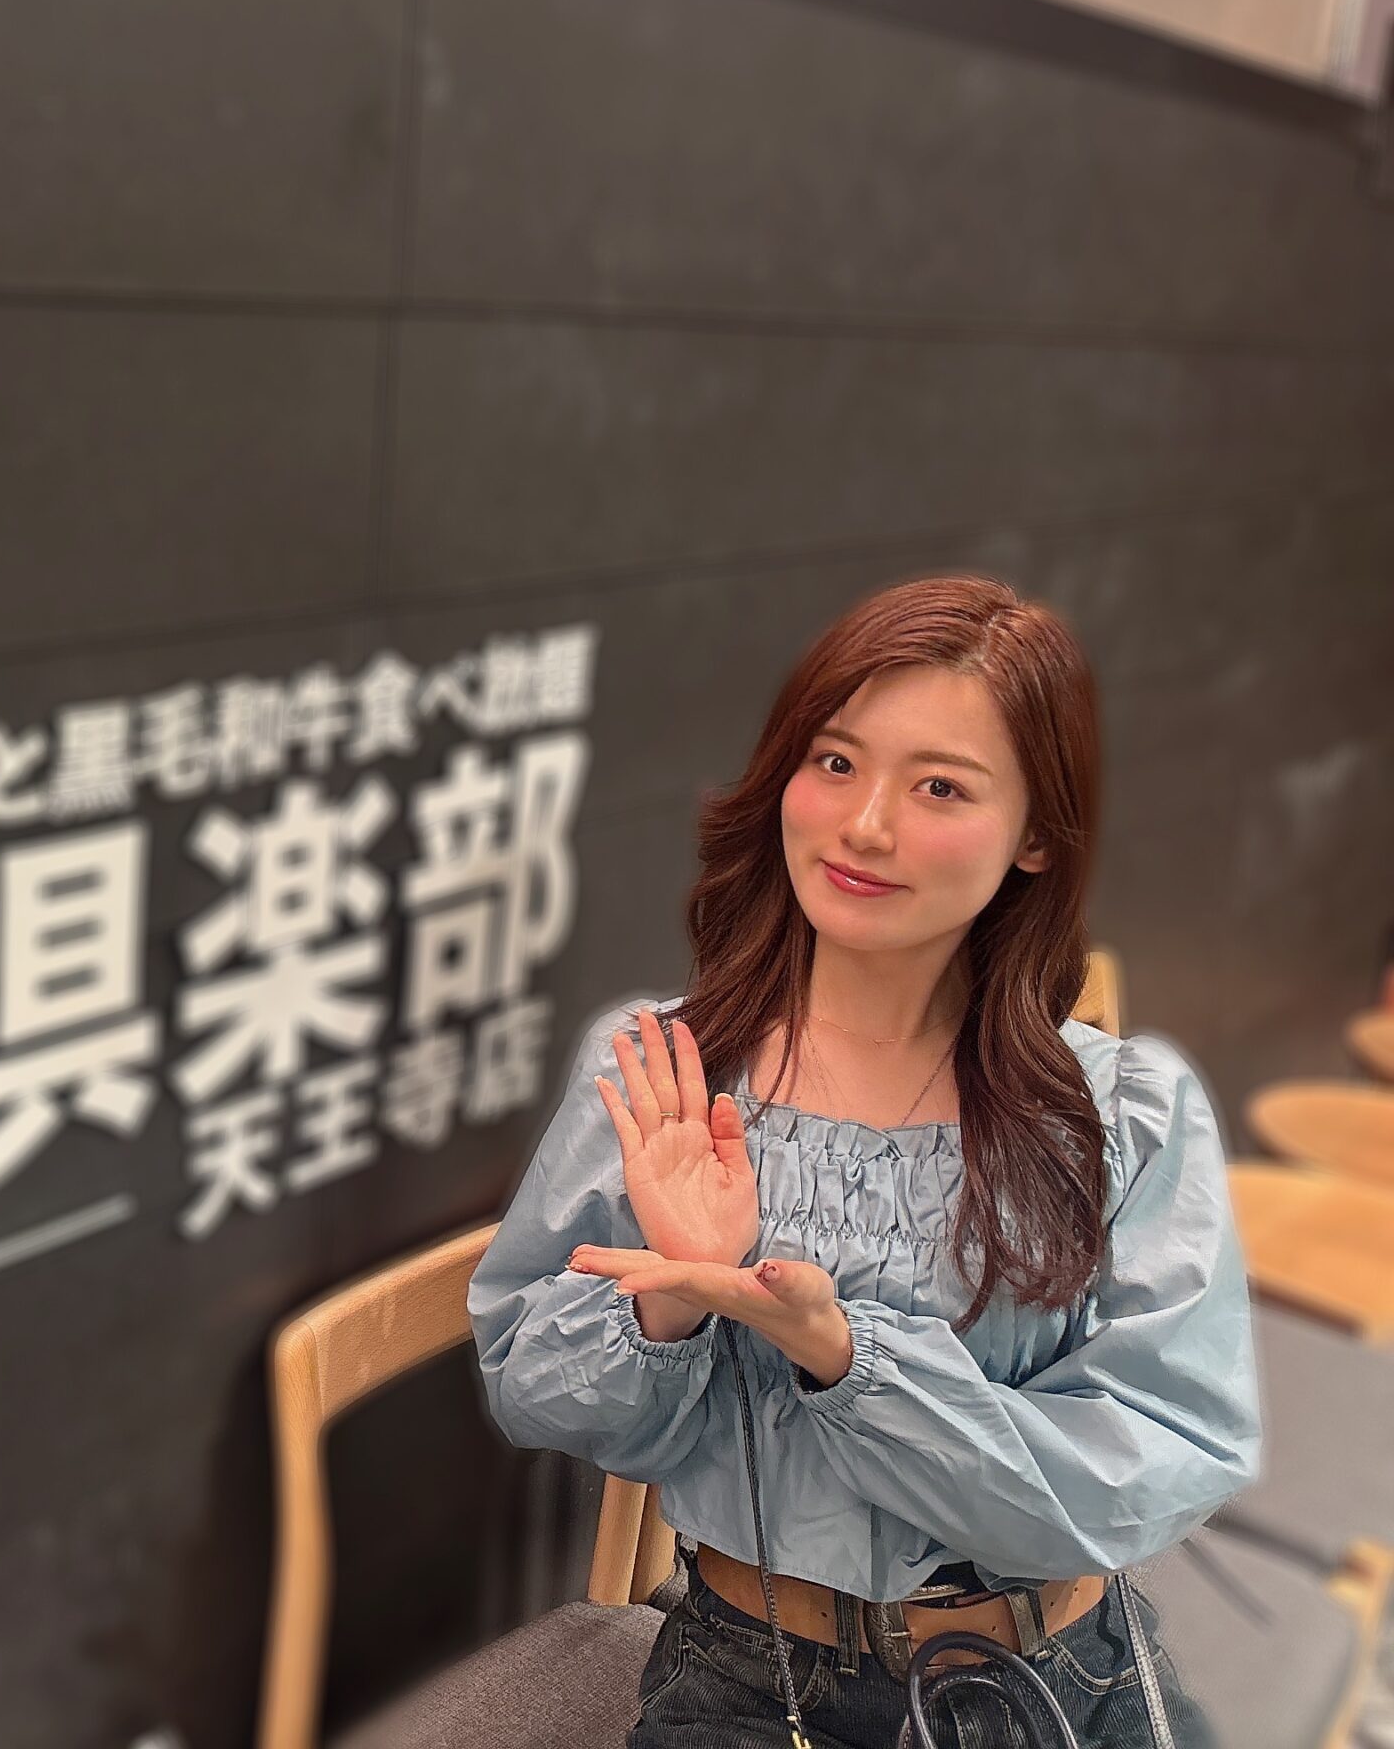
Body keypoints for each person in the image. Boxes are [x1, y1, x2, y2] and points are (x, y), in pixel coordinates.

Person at [468, 574, 1261, 1747]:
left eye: (938, 786)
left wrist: (847, 1357)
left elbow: (1160, 1458)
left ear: (1037, 835)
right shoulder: (667, 1073)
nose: (865, 825)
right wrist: (670, 1309)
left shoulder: (1122, 1112)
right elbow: (529, 1387)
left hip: (1061, 1677)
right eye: (834, 762)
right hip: (750, 1682)